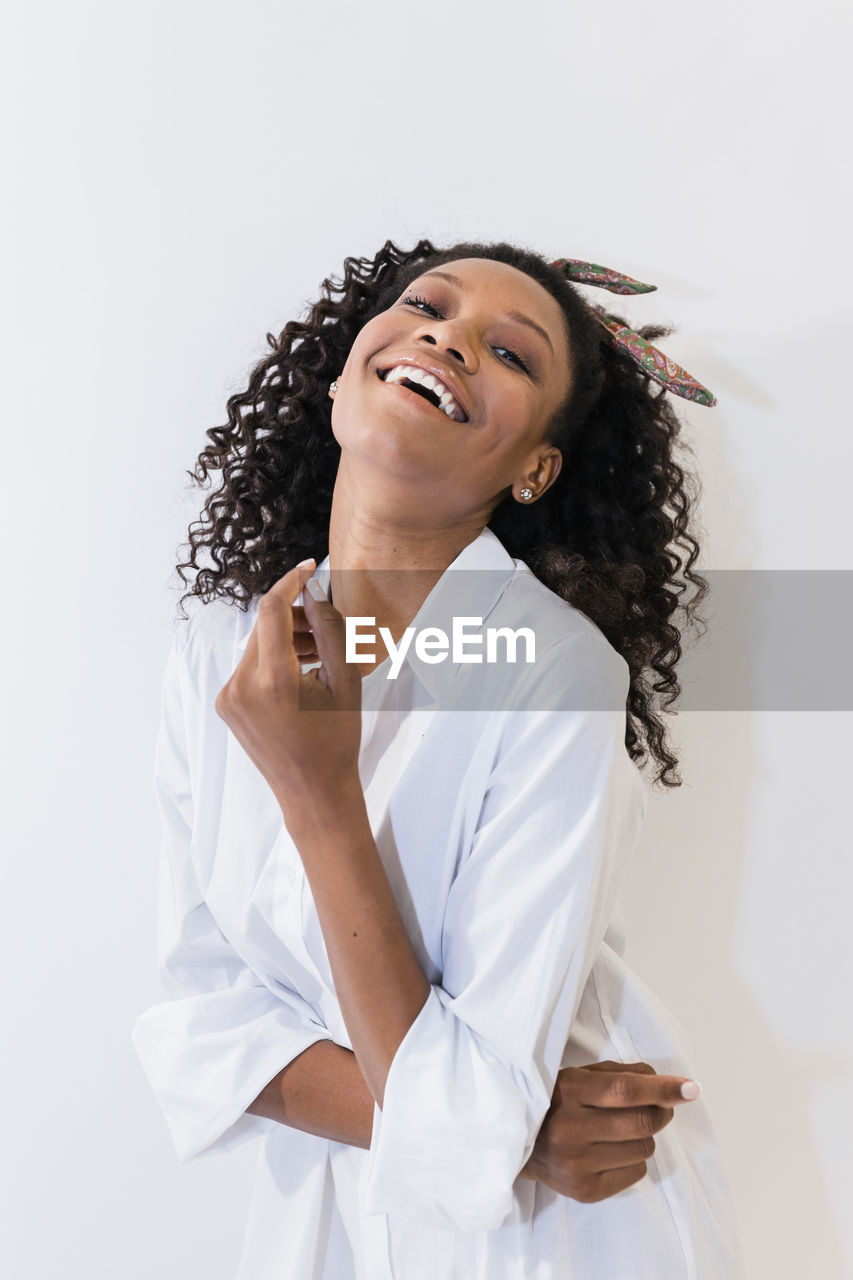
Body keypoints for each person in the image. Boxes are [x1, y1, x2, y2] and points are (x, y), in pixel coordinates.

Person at [131, 239, 743, 1278]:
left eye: (508, 351)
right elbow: (195, 1027)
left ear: (534, 466)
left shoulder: (553, 674)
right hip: (342, 1208)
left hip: (553, 1233)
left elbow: (460, 1117)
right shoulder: (220, 650)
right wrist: (499, 1130)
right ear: (341, 367)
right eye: (426, 303)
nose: (447, 337)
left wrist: (319, 792)